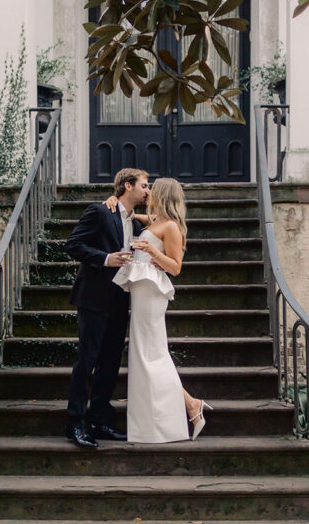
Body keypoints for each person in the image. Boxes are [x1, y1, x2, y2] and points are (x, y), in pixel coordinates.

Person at [105, 178, 211, 443]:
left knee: (152, 355)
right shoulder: (153, 220)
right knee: (145, 356)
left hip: (152, 294)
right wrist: (112, 200)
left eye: (152, 188)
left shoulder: (171, 226)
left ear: (162, 194)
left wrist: (152, 250)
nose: (147, 191)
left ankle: (188, 408)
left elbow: (175, 267)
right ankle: (186, 407)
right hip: (141, 293)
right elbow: (125, 213)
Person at [63, 168, 149, 449]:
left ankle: (100, 421)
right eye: (144, 185)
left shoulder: (134, 223)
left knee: (110, 363)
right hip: (93, 298)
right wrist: (105, 259)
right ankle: (75, 424)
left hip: (120, 300)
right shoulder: (100, 212)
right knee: (87, 361)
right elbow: (73, 245)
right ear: (127, 185)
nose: (148, 191)